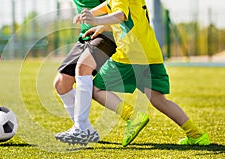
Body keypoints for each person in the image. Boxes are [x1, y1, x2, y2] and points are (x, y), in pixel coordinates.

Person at [70, 0, 210, 147]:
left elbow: (120, 15)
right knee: (158, 99)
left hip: (131, 55)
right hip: (151, 54)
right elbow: (123, 15)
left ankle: (132, 116)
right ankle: (196, 135)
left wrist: (95, 19)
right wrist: (98, 22)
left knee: (95, 88)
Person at [53, 0, 118, 145]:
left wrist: (101, 22)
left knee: (83, 68)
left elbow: (119, 8)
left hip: (107, 34)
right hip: (85, 36)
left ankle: (80, 129)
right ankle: (87, 131)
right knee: (61, 83)